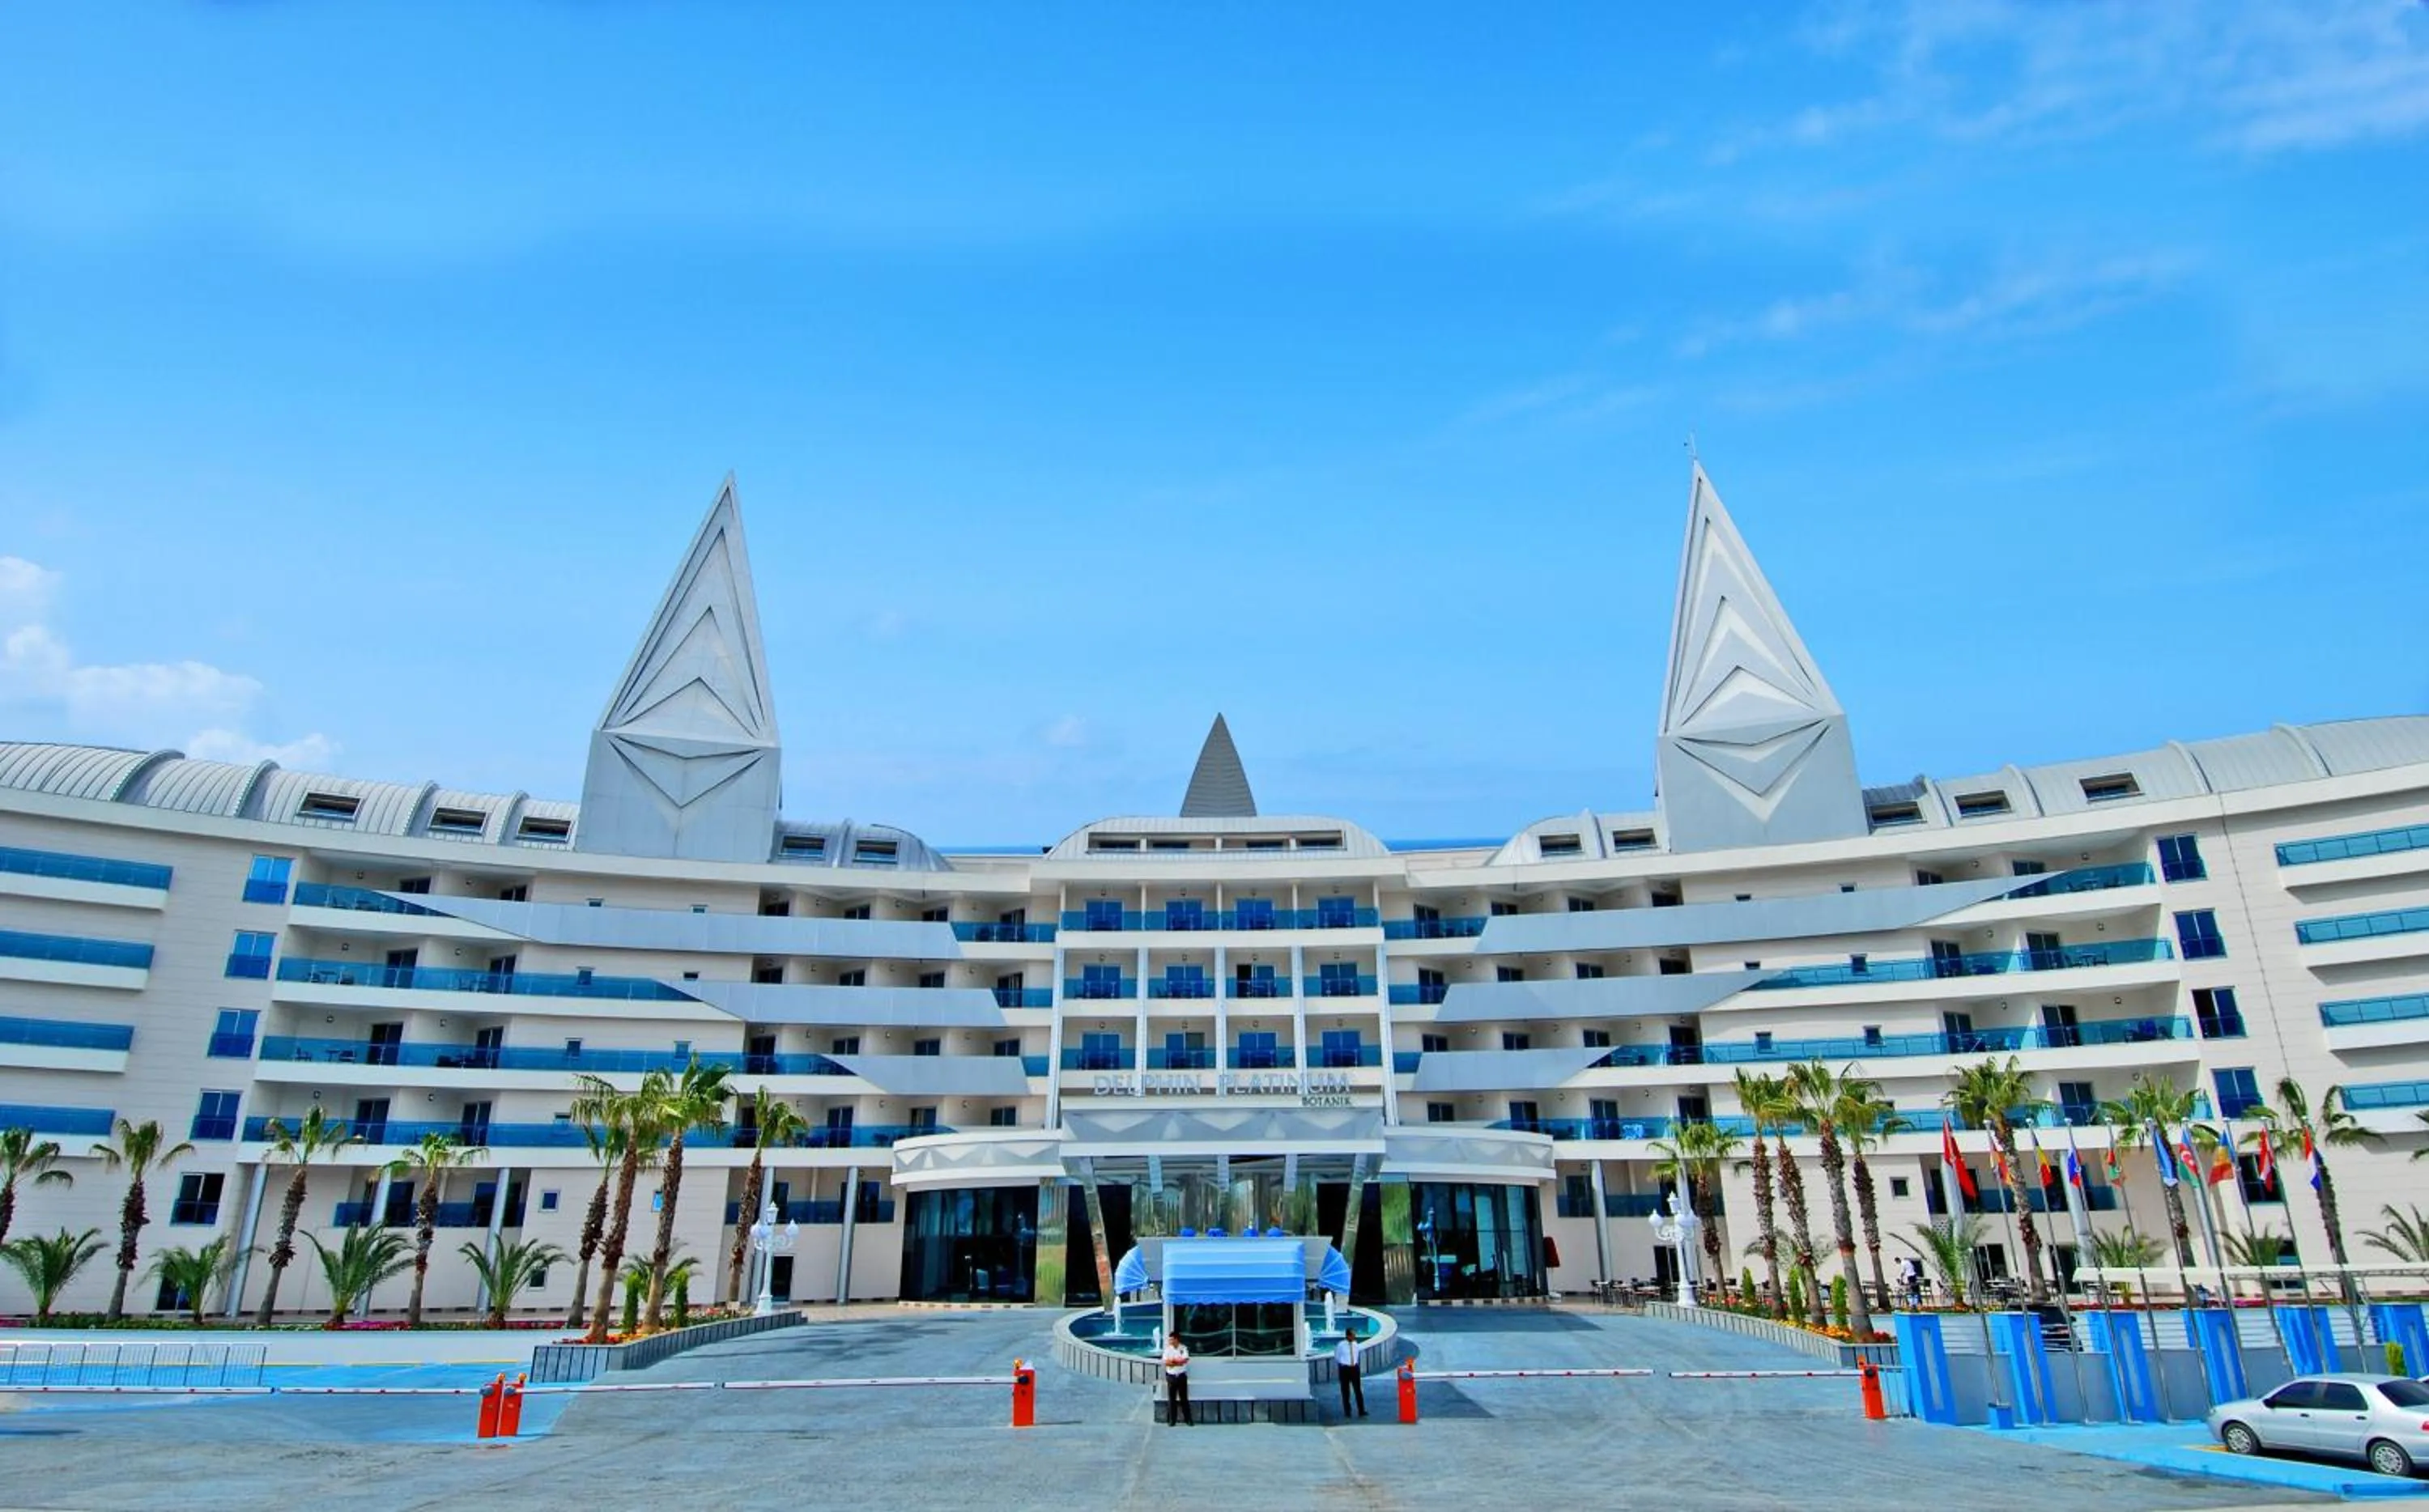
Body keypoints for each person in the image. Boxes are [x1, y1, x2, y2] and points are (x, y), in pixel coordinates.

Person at [1334, 1323, 1368, 1417]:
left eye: (1355, 1335)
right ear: (1348, 1336)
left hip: (1354, 1368)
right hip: (1344, 1369)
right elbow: (1337, 1356)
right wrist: (1343, 1363)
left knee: (1358, 1390)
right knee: (1345, 1391)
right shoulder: (1341, 1345)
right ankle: (1347, 1411)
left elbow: (1357, 1355)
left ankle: (1361, 1410)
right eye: (1353, 1335)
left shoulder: (1356, 1344)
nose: (1354, 1337)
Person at [1161, 1333, 1193, 1425]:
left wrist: (1173, 1361)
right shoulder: (1167, 1350)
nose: (1170, 1341)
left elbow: (1184, 1360)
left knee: (1184, 1399)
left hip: (1181, 1376)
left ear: (1176, 1339)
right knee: (1172, 1399)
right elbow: (1166, 1362)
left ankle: (1188, 1420)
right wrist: (1176, 1362)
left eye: (1172, 1339)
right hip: (1171, 1376)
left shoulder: (1183, 1348)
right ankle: (1172, 1420)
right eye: (1169, 1340)